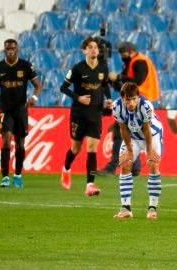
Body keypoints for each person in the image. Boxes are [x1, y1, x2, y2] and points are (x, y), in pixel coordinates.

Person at [0, 39, 42, 188]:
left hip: (21, 109)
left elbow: (37, 85)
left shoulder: (25, 65)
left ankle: (17, 174)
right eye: (7, 49)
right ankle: (4, 177)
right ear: (4, 50)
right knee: (6, 139)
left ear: (17, 50)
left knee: (20, 144)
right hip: (5, 109)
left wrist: (34, 98)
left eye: (12, 49)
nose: (10, 51)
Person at [59, 36, 113, 196]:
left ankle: (90, 184)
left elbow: (105, 86)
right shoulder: (77, 69)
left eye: (95, 47)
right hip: (78, 114)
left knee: (92, 149)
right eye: (90, 47)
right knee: (76, 148)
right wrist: (78, 98)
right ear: (84, 51)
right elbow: (63, 88)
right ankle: (66, 169)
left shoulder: (103, 67)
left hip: (95, 114)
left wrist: (108, 99)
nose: (93, 49)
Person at [99, 41, 160, 176]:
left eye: (123, 52)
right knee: (134, 134)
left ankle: (112, 166)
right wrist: (112, 81)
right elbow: (124, 85)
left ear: (131, 51)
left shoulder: (139, 62)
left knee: (120, 130)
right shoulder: (131, 63)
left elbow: (137, 81)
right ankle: (135, 168)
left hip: (138, 101)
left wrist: (118, 77)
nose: (122, 55)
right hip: (135, 101)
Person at [112, 82, 162, 220]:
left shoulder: (146, 106)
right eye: (128, 99)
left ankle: (152, 208)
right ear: (122, 98)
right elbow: (123, 128)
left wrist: (150, 150)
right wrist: (129, 150)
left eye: (134, 99)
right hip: (133, 137)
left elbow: (146, 128)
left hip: (152, 135)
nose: (132, 103)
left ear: (138, 97)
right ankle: (126, 208)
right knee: (125, 165)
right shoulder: (116, 107)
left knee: (153, 165)